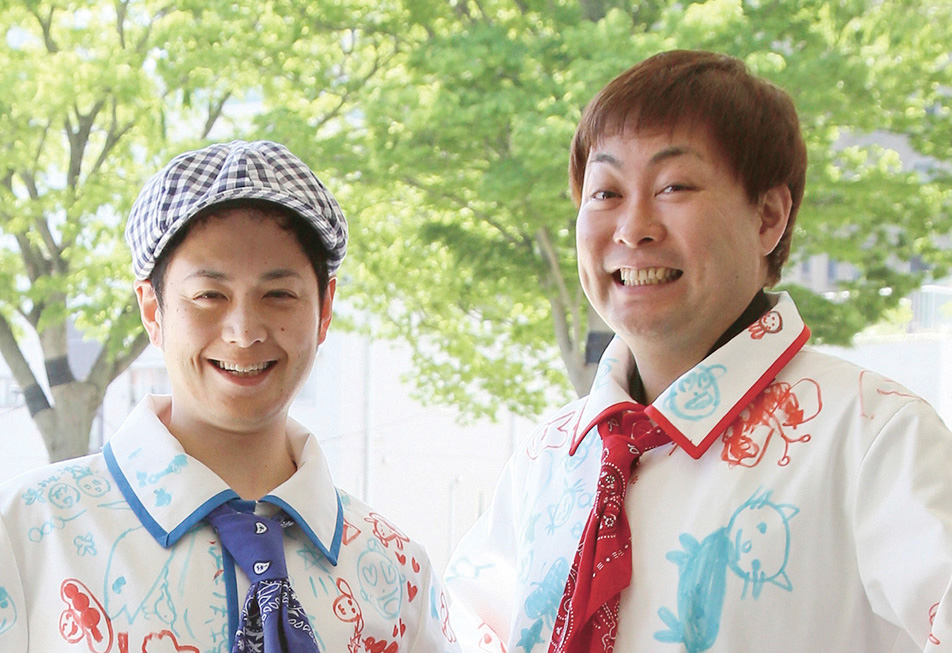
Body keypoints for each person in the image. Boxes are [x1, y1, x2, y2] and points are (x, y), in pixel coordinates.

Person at [444, 50, 952, 652]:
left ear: (767, 217)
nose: (633, 228)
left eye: (673, 187)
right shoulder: (547, 458)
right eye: (605, 193)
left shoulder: (875, 436)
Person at [0, 140, 460, 652]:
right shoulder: (24, 533)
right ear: (152, 310)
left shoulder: (400, 576)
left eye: (278, 294)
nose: (244, 332)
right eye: (208, 295)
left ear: (325, 309)